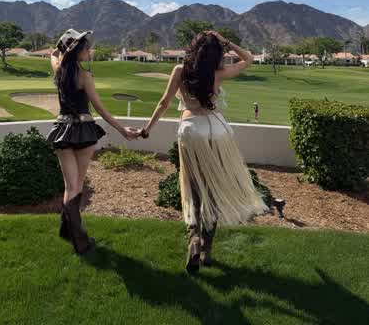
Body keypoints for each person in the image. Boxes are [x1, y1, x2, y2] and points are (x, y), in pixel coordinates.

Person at [139, 31, 267, 273]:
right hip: (217, 130)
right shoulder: (218, 73)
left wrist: (147, 129)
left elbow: (164, 103)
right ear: (216, 54)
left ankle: (194, 238)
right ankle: (207, 249)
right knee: (214, 188)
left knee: (192, 188)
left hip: (191, 130)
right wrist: (225, 41)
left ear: (193, 49)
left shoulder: (180, 70)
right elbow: (249, 58)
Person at [47, 28, 139, 255]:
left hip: (62, 130)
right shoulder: (84, 76)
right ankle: (80, 241)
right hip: (84, 131)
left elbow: (53, 55)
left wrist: (60, 50)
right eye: (86, 48)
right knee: (76, 187)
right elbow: (100, 108)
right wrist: (122, 130)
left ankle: (66, 230)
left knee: (70, 186)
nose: (90, 51)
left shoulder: (59, 70)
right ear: (77, 51)